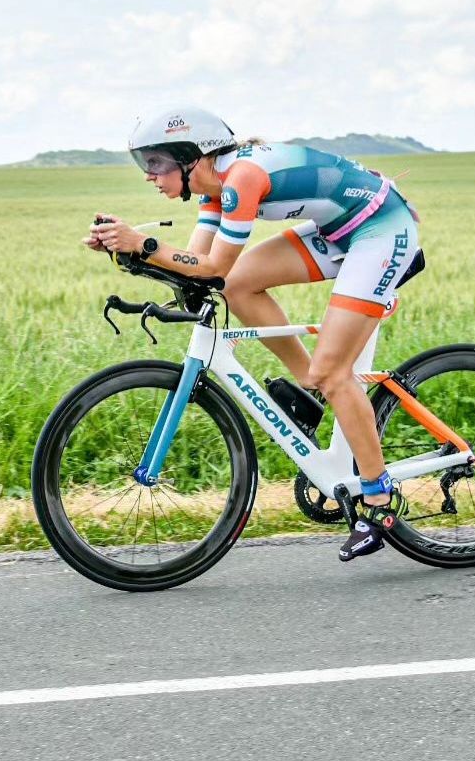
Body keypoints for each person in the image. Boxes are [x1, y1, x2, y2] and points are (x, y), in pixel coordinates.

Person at [84, 106, 420, 561]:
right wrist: (130, 253)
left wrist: (143, 243)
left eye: (156, 163)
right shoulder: (211, 189)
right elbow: (198, 267)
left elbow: (211, 265)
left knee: (333, 370)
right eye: (145, 164)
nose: (149, 175)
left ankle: (378, 501)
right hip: (340, 230)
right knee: (240, 285)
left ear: (191, 156)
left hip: (381, 228)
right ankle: (312, 388)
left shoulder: (241, 180)